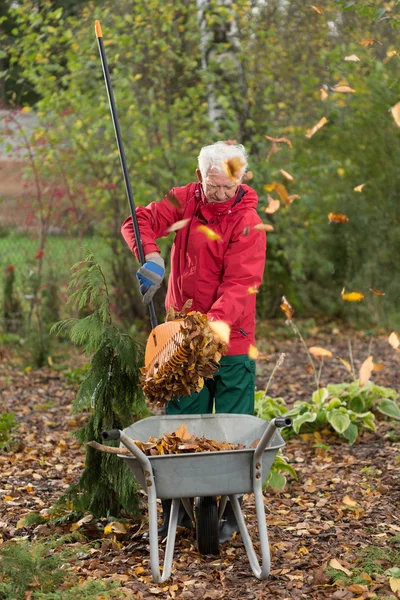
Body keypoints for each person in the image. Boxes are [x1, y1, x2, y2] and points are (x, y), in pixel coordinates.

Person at [121, 141, 267, 543]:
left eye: (228, 186)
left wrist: (205, 329)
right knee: (182, 426)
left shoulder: (247, 222)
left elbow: (241, 286)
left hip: (230, 339)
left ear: (241, 177)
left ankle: (232, 508)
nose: (220, 194)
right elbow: (139, 220)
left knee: (235, 430)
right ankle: (177, 509)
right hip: (180, 340)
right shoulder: (185, 201)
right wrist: (150, 255)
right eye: (212, 185)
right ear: (200, 175)